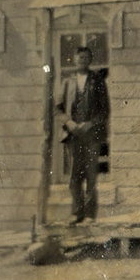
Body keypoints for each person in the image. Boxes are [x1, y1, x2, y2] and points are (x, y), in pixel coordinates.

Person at [55, 45, 109, 225]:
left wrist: (90, 124)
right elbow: (57, 109)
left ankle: (89, 215)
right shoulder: (67, 81)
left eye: (86, 58)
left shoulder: (98, 81)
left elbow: (104, 110)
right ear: (75, 60)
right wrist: (69, 123)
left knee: (91, 175)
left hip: (91, 135)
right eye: (80, 58)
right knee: (74, 176)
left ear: (90, 60)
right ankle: (76, 212)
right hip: (73, 134)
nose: (83, 61)